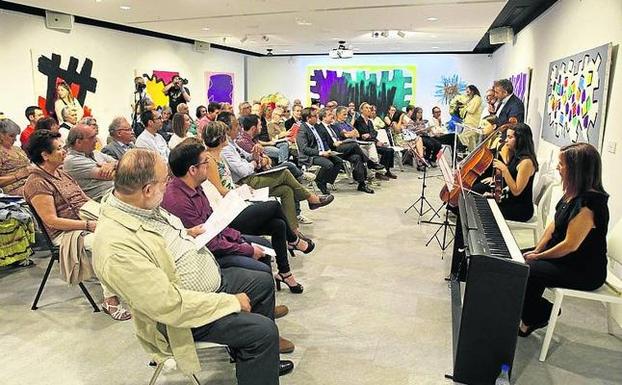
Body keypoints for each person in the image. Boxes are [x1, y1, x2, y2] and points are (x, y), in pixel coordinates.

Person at [92, 148, 293, 385]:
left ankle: (254, 361)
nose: (168, 185)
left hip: (205, 287)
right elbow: (167, 306)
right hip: (182, 318)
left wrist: (185, 233)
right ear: (147, 190)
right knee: (263, 331)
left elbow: (158, 239)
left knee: (261, 282)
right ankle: (256, 351)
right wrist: (230, 302)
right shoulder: (117, 248)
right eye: (164, 180)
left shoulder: (140, 207)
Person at [162, 141, 305, 296]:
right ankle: (258, 304)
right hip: (206, 253)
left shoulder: (195, 186)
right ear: (192, 170)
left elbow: (214, 223)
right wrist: (246, 248)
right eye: (205, 163)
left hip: (218, 235)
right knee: (262, 264)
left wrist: (239, 239)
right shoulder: (178, 200)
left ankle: (265, 297)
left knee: (272, 230)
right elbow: (208, 242)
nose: (208, 166)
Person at [23, 130, 130, 321]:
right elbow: (52, 221)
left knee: (126, 221)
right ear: (44, 155)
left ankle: (132, 279)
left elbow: (83, 198)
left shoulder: (61, 173)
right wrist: (89, 225)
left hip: (83, 217)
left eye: (63, 147)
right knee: (104, 241)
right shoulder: (36, 183)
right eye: (59, 148)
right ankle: (110, 299)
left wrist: (105, 212)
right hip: (65, 233)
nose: (65, 151)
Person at [519, 143, 608, 337]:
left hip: (583, 270)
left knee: (530, 269)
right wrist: (538, 250)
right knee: (517, 258)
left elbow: (570, 245)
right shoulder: (571, 193)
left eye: (562, 164)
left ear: (578, 169)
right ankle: (532, 311)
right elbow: (553, 226)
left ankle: (536, 315)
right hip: (564, 258)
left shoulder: (589, 204)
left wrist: (539, 256)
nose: (557, 167)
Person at [209, 118, 333, 235]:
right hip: (245, 181)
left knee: (286, 190)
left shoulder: (232, 144)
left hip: (250, 176)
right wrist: (255, 162)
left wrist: (256, 156)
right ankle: (311, 198)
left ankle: (293, 232)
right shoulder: (225, 150)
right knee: (285, 171)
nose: (239, 130)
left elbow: (248, 156)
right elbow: (242, 171)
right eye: (237, 127)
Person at [478, 123, 538, 222]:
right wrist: (494, 194)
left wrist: (504, 170)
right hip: (508, 200)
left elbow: (516, 190)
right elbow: (510, 180)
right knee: (477, 201)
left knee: (480, 211)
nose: (506, 140)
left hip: (520, 209)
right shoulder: (516, 155)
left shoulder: (526, 162)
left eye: (510, 137)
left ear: (520, 139)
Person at [316, 108, 374, 194]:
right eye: (329, 115)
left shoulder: (334, 126)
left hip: (341, 148)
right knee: (354, 144)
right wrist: (334, 144)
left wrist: (343, 138)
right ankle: (369, 162)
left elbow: (344, 135)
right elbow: (321, 142)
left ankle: (361, 184)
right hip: (331, 149)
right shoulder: (319, 128)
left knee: (357, 157)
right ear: (323, 117)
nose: (332, 116)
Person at [63, 124, 116, 201]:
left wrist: (112, 164)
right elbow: (114, 175)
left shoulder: (95, 152)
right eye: (92, 137)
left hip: (117, 192)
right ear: (78, 142)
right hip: (104, 200)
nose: (96, 140)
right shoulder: (72, 160)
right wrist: (117, 165)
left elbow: (120, 162)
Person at [296, 107, 344, 194]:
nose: (317, 117)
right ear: (308, 118)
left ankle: (324, 180)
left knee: (339, 162)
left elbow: (321, 140)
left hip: (321, 152)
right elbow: (304, 149)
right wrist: (321, 153)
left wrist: (327, 151)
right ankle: (320, 182)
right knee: (329, 164)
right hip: (310, 156)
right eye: (314, 116)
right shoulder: (302, 130)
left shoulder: (315, 127)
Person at [354, 103, 397, 179]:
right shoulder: (358, 121)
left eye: (369, 108)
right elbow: (362, 135)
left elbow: (374, 132)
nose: (369, 110)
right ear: (361, 110)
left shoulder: (370, 121)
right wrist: (371, 137)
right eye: (366, 108)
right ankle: (379, 173)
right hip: (365, 144)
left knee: (390, 150)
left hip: (373, 141)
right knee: (386, 151)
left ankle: (387, 170)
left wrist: (376, 140)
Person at [0, 118, 31, 196]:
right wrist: (18, 176)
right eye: (11, 136)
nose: (15, 139)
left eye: (16, 135)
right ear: (1, 135)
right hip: (14, 189)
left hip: (30, 181)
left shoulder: (17, 149)